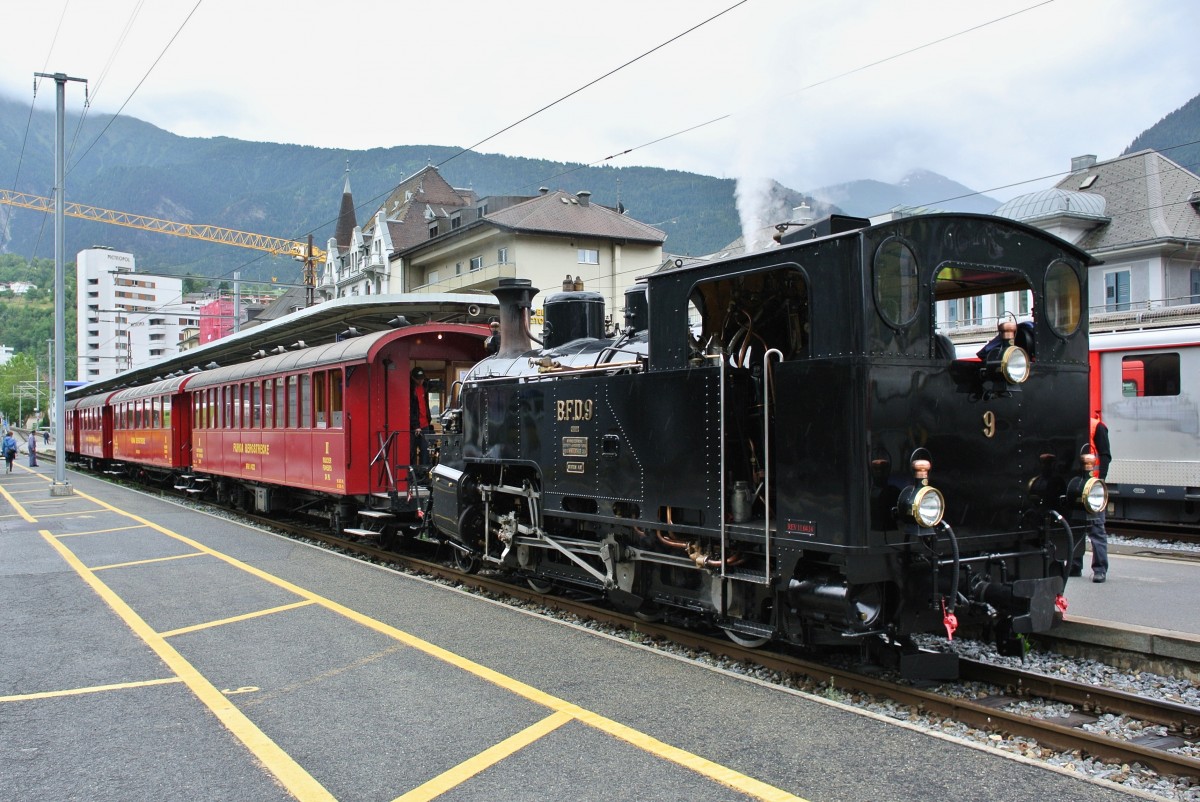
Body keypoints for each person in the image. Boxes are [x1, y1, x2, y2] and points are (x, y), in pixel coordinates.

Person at [410, 366, 432, 465]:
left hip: (425, 424)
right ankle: (412, 474)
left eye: (422, 378)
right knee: (412, 451)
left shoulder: (424, 387)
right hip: (415, 426)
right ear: (413, 378)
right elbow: (411, 409)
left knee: (425, 451)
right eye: (419, 379)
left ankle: (424, 473)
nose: (421, 381)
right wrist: (415, 425)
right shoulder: (410, 389)